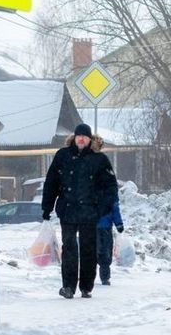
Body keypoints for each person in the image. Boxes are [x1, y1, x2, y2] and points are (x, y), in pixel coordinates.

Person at [41, 124, 118, 299]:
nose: (81, 139)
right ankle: (68, 286)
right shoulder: (63, 156)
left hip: (90, 212)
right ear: (74, 138)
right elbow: (51, 182)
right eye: (78, 136)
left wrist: (105, 206)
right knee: (69, 248)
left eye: (85, 136)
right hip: (68, 210)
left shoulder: (99, 160)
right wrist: (47, 207)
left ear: (90, 139)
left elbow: (111, 186)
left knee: (88, 249)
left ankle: (86, 286)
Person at [90, 135, 124, 286]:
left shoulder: (87, 165)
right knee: (104, 253)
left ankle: (92, 277)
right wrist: (118, 223)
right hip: (102, 224)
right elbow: (114, 205)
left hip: (90, 222)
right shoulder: (105, 170)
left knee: (90, 251)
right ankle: (104, 277)